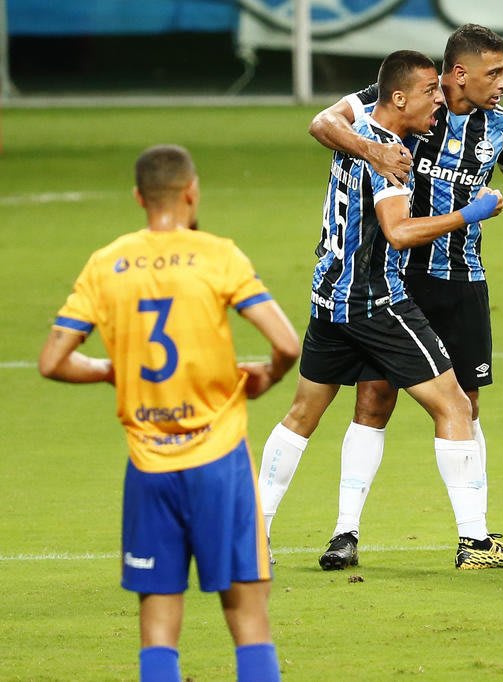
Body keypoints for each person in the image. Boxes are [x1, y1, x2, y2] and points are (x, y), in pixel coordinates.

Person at [258, 23, 503, 571]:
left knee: (460, 403)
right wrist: (377, 152)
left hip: (454, 280)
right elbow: (325, 126)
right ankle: (351, 532)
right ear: (456, 75)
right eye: (496, 72)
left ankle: (471, 536)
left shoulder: (500, 128)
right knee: (378, 400)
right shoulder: (394, 111)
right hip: (390, 283)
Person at [260, 48, 503, 572]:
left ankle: (254, 533)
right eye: (432, 92)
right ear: (402, 97)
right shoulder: (392, 153)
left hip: (328, 295)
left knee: (300, 416)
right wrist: (468, 213)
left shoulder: (359, 130)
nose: (440, 100)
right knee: (454, 405)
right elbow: (400, 232)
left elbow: (325, 124)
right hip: (377, 303)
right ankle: (475, 544)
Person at [38, 144, 300, 682]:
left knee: (158, 627)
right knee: (249, 618)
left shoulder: (106, 262)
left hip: (149, 466)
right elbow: (287, 344)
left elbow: (52, 361)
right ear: (191, 192)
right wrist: (265, 376)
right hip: (220, 461)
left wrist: (112, 370)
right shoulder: (217, 255)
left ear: (138, 197)